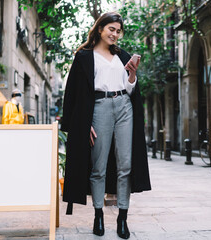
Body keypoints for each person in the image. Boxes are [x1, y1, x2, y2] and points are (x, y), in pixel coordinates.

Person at [61, 12, 151, 239]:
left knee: (126, 165)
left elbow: (131, 90)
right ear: (100, 28)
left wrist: (131, 77)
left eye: (118, 31)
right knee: (98, 166)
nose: (115, 34)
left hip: (124, 107)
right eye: (111, 29)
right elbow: (72, 93)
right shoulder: (84, 57)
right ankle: (98, 215)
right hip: (99, 108)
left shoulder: (123, 56)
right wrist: (81, 124)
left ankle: (122, 218)